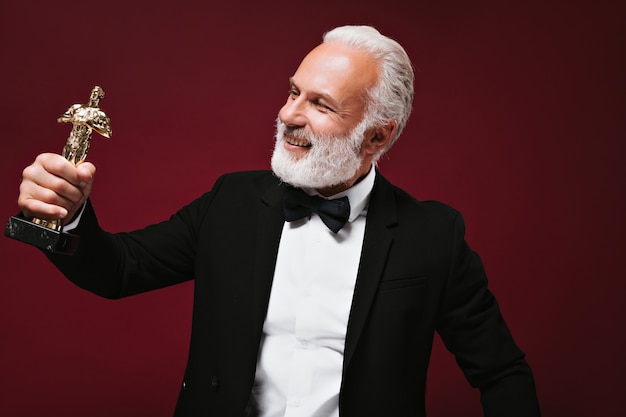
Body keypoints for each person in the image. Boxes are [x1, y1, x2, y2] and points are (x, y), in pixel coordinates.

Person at [15, 25, 540, 417]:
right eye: (293, 92)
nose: (290, 114)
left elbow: (501, 373)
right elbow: (119, 269)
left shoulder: (434, 236)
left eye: (320, 104)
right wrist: (67, 213)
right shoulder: (232, 201)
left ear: (378, 136)